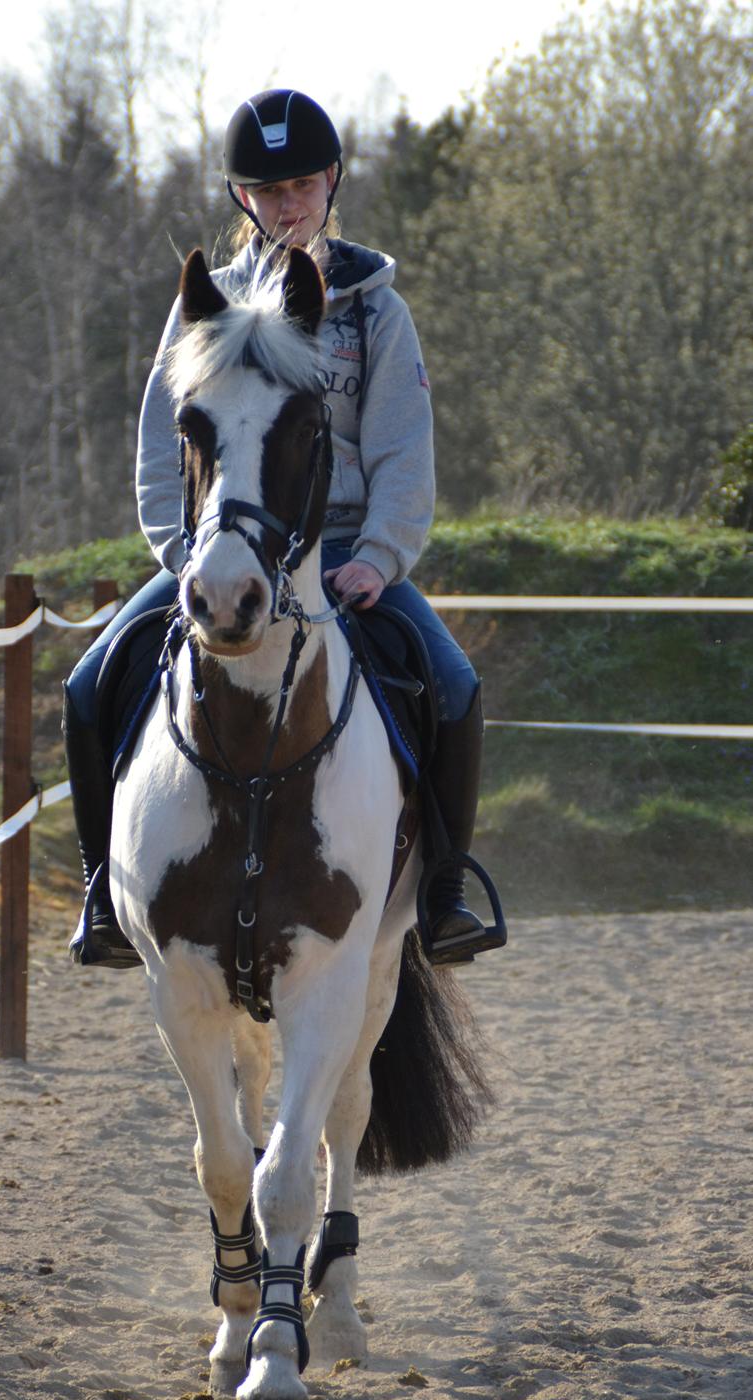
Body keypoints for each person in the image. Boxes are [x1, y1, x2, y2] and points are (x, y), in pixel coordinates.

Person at [64, 88, 499, 970]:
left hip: (342, 553)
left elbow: (402, 457)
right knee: (88, 683)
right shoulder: (204, 310)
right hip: (224, 546)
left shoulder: (377, 314)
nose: (287, 203)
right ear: (241, 199)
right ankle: (99, 894)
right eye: (267, 190)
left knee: (453, 687)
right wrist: (187, 557)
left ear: (332, 181)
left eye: (301, 182)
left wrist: (379, 559)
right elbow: (162, 453)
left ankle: (445, 890)